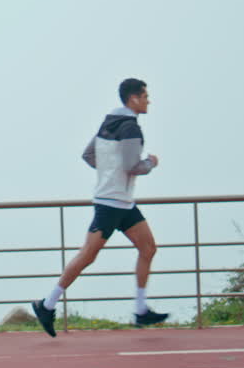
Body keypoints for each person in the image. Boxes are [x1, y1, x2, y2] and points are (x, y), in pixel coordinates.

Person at [32, 78, 169, 336]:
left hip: (122, 204)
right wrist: (151, 162)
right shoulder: (130, 128)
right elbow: (132, 166)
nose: (149, 100)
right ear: (133, 99)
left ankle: (140, 310)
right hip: (111, 205)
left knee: (148, 248)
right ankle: (46, 305)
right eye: (145, 96)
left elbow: (88, 155)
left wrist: (109, 174)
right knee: (87, 255)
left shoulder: (108, 123)